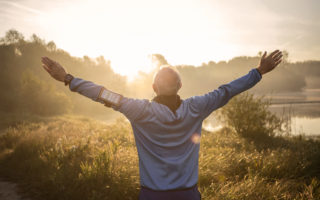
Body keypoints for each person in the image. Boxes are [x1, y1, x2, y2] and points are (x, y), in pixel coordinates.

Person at [41, 50, 283, 200]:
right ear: (180, 86)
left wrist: (68, 78)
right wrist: (259, 71)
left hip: (152, 195)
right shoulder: (197, 106)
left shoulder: (139, 110)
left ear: (154, 88)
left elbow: (103, 94)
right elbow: (227, 91)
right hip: (188, 194)